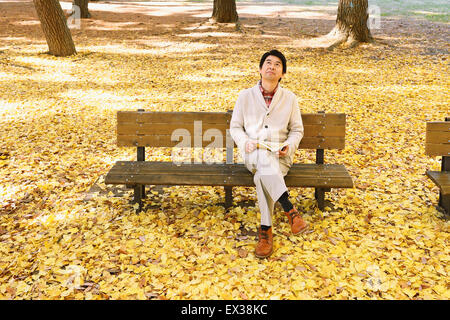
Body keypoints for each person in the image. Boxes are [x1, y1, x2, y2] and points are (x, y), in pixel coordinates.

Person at [229, 49, 308, 259]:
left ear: (282, 73)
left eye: (277, 64)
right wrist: (244, 142)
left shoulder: (290, 99)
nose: (271, 66)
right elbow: (235, 127)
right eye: (268, 63)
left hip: (279, 157)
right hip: (253, 153)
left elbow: (297, 130)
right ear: (260, 69)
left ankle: (266, 232)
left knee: (262, 176)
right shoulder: (245, 96)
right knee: (262, 162)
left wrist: (289, 146)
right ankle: (289, 209)